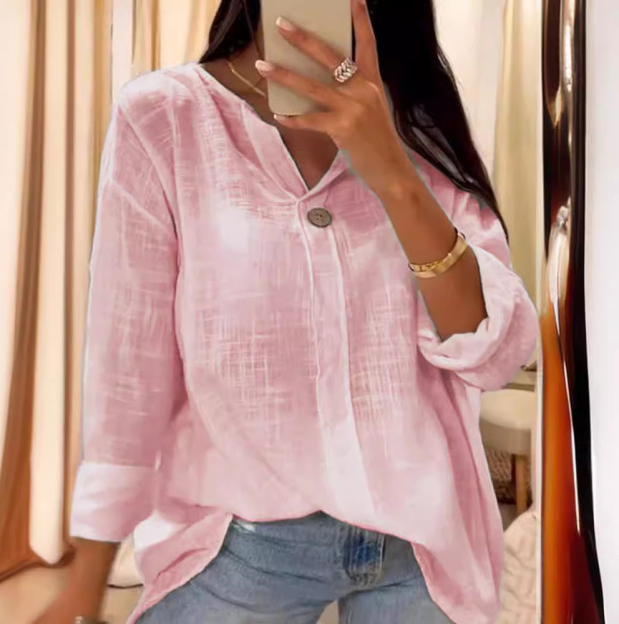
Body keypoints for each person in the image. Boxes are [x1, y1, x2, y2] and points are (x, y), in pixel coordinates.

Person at [34, 0, 538, 623]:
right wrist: (85, 582)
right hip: (239, 547)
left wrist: (393, 174)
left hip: (421, 544)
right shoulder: (165, 118)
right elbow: (128, 366)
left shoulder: (416, 122)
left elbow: (496, 352)